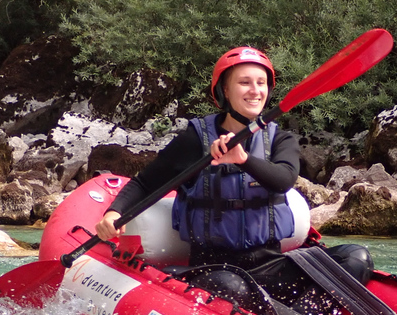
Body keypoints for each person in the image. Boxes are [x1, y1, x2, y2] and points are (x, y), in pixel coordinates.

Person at [95, 46, 300, 270]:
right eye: (244, 82)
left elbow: (284, 180)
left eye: (261, 83)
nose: (255, 90)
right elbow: (146, 183)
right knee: (234, 287)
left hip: (268, 263)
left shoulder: (280, 139)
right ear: (225, 91)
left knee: (346, 256)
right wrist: (114, 213)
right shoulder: (195, 139)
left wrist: (243, 159)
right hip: (212, 267)